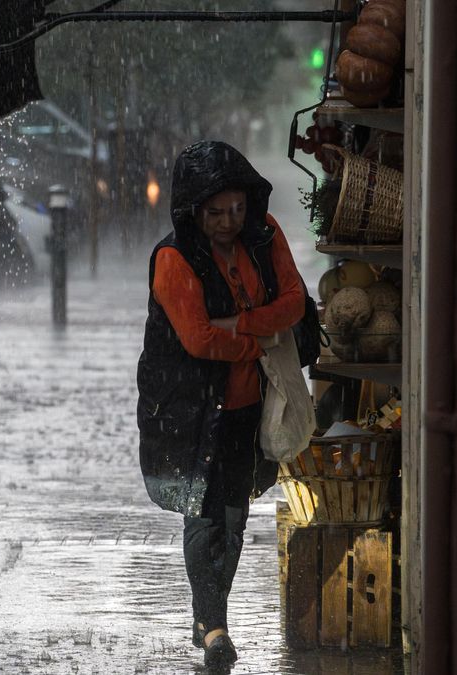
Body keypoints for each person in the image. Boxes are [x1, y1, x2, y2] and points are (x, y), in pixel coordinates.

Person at [136, 140, 304, 671]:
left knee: (233, 518)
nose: (229, 221)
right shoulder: (173, 258)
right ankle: (215, 630)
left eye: (236, 208)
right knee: (202, 516)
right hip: (188, 410)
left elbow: (295, 302)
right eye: (215, 213)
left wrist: (242, 323)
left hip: (247, 406)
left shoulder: (265, 235)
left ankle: (210, 616)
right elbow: (198, 339)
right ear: (192, 211)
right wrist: (257, 341)